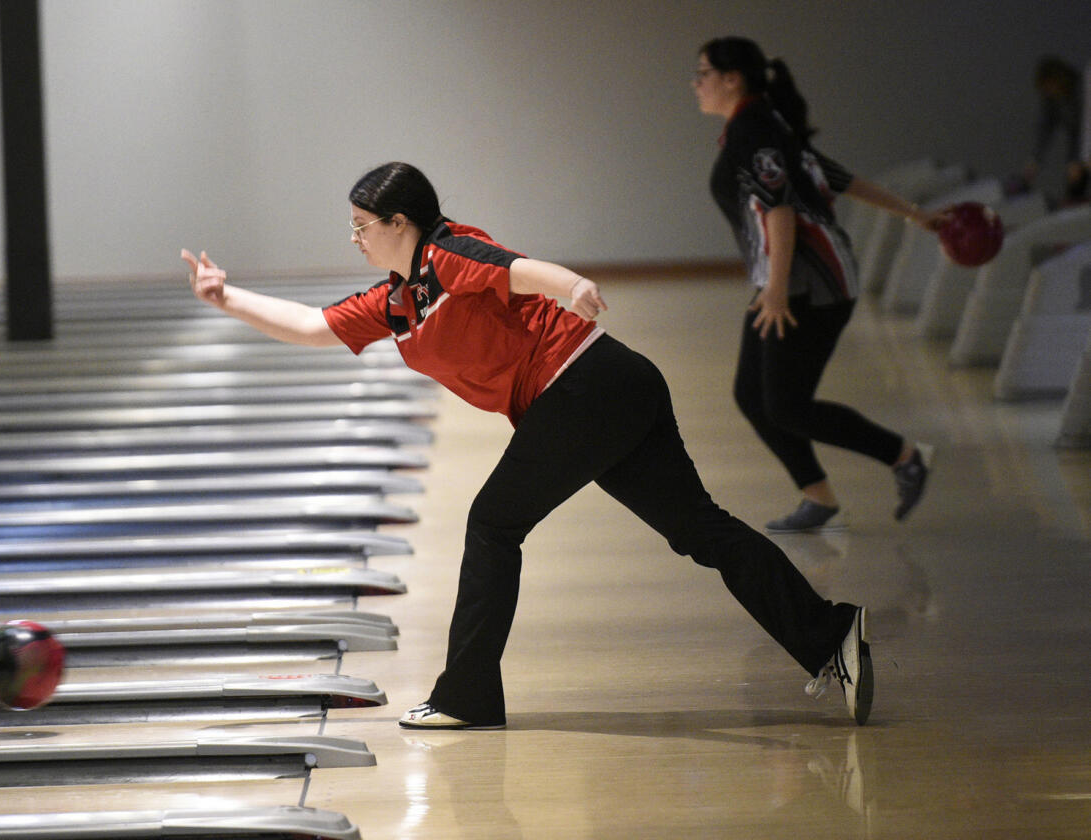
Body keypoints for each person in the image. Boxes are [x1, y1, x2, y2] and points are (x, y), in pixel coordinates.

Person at [181, 161, 874, 728]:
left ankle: (466, 697)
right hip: (610, 387)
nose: (354, 238)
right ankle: (829, 636)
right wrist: (226, 297)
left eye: (362, 227)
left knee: (492, 523)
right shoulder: (394, 302)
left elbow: (515, 266)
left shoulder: (445, 251)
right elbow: (309, 327)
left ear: (401, 223)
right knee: (700, 529)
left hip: (582, 383)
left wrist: (572, 285)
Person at [693, 36, 941, 533]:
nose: (695, 85)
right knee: (752, 395)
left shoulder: (754, 131)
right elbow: (837, 179)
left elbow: (782, 209)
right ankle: (819, 498)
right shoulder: (764, 123)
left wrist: (778, 289)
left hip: (809, 286)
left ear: (731, 78)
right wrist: (916, 214)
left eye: (702, 74)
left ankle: (905, 456)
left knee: (786, 405)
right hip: (787, 280)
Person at [1024, 55, 1087, 205]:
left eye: (1048, 86)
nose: (1048, 91)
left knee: (1076, 177)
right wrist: (1034, 160)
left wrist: (1080, 159)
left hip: (1086, 143)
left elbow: (1084, 129)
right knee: (1074, 188)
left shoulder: (1081, 89)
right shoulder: (1053, 100)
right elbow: (1046, 128)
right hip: (1078, 145)